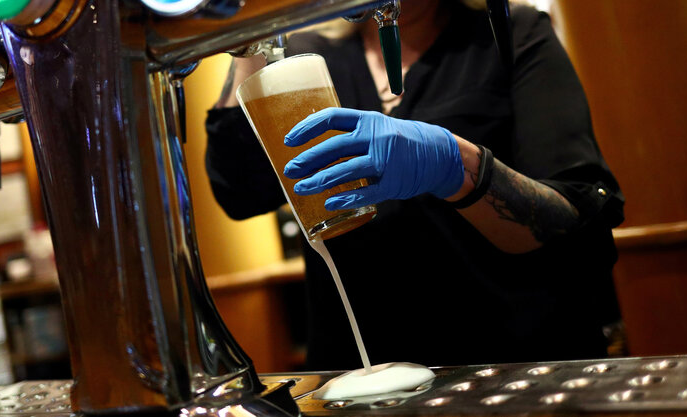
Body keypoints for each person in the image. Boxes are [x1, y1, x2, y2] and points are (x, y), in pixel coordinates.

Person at [205, 0, 624, 371]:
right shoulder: (307, 58)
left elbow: (575, 223)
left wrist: (457, 166)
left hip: (511, 360)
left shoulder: (510, 33)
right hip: (358, 372)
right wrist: (251, 39)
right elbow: (241, 192)